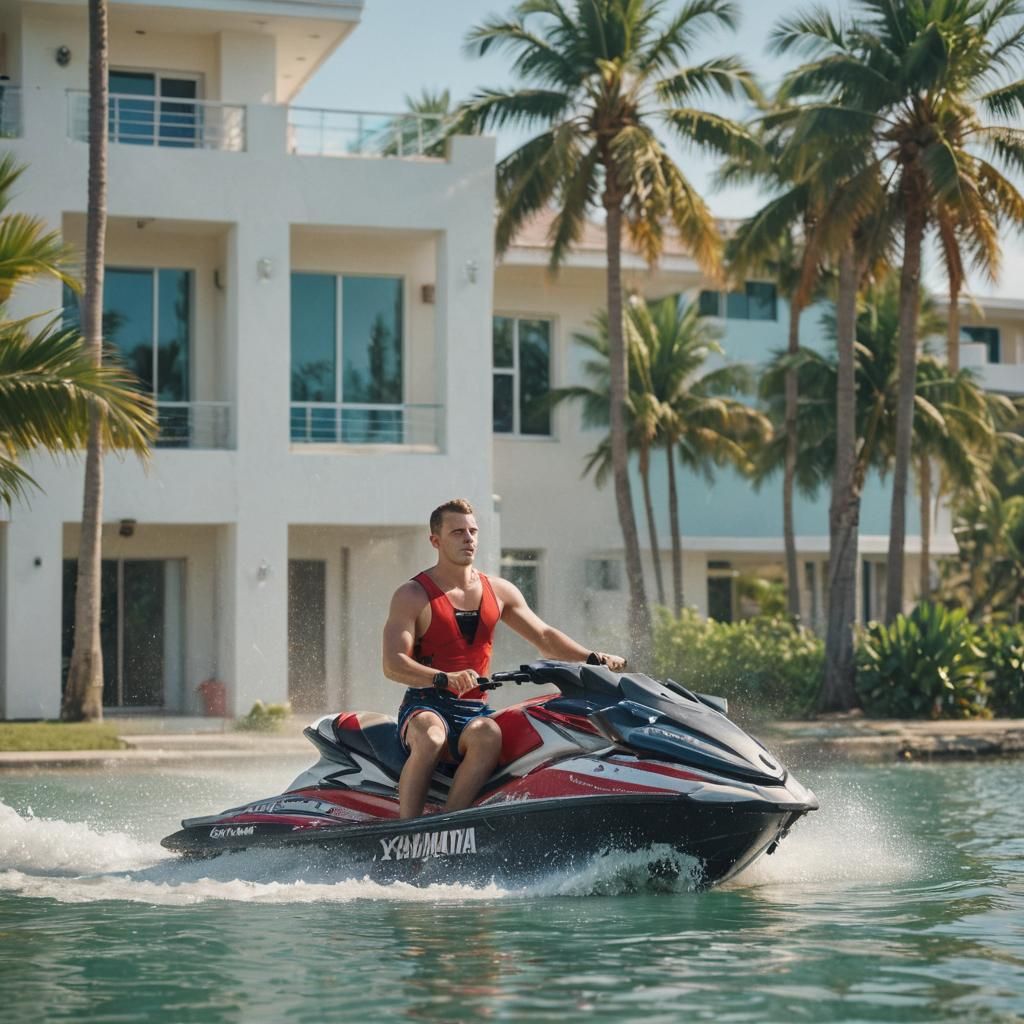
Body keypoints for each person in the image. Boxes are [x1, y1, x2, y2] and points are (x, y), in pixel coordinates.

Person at [382, 497, 626, 819]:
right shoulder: (412, 594)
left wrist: (592, 657)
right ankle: (407, 831)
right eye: (457, 532)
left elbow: (545, 638)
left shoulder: (499, 591)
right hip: (426, 704)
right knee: (431, 737)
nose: (468, 538)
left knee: (489, 735)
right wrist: (443, 678)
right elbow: (393, 663)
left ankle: (448, 826)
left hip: (473, 709)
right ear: (435, 540)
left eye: (472, 531)